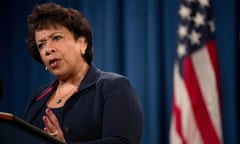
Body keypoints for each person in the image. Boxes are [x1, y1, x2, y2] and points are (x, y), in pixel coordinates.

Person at [23, 2, 143, 144]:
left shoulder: (113, 86)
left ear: (82, 43)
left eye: (56, 38)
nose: (48, 49)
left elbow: (122, 142)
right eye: (41, 44)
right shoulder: (37, 98)